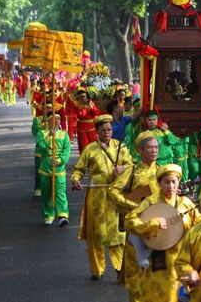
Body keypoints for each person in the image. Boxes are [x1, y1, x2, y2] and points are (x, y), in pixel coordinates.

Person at [124, 164, 201, 302]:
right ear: (159, 183)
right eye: (166, 182)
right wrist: (151, 224)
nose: (171, 186)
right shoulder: (150, 202)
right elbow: (129, 221)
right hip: (157, 260)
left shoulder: (185, 203)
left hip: (181, 261)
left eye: (174, 182)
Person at [71, 114, 133, 280]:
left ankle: (120, 267)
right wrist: (76, 180)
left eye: (109, 129)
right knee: (97, 234)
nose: (107, 132)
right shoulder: (90, 149)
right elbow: (78, 169)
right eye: (103, 130)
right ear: (97, 131)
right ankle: (97, 269)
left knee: (117, 233)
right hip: (96, 196)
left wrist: (122, 168)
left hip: (115, 195)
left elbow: (131, 165)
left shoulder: (121, 146)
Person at [109, 132, 160, 300]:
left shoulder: (163, 171)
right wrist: (133, 207)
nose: (153, 151)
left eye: (156, 147)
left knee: (157, 280)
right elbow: (113, 191)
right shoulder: (132, 171)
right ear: (140, 150)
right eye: (149, 148)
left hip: (158, 229)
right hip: (136, 227)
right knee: (136, 281)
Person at [36, 113, 71, 226]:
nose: (57, 122)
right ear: (49, 122)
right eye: (54, 119)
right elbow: (40, 147)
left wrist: (59, 160)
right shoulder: (41, 133)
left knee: (60, 192)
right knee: (46, 193)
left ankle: (63, 215)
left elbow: (66, 151)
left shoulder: (64, 135)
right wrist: (49, 136)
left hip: (59, 168)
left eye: (59, 119)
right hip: (46, 168)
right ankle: (48, 214)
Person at [74, 89, 100, 153]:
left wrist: (91, 106)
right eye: (82, 97)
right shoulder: (77, 106)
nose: (83, 98)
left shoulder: (91, 104)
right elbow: (81, 115)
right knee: (83, 144)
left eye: (85, 96)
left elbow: (96, 113)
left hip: (91, 126)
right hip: (82, 127)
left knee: (93, 143)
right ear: (79, 98)